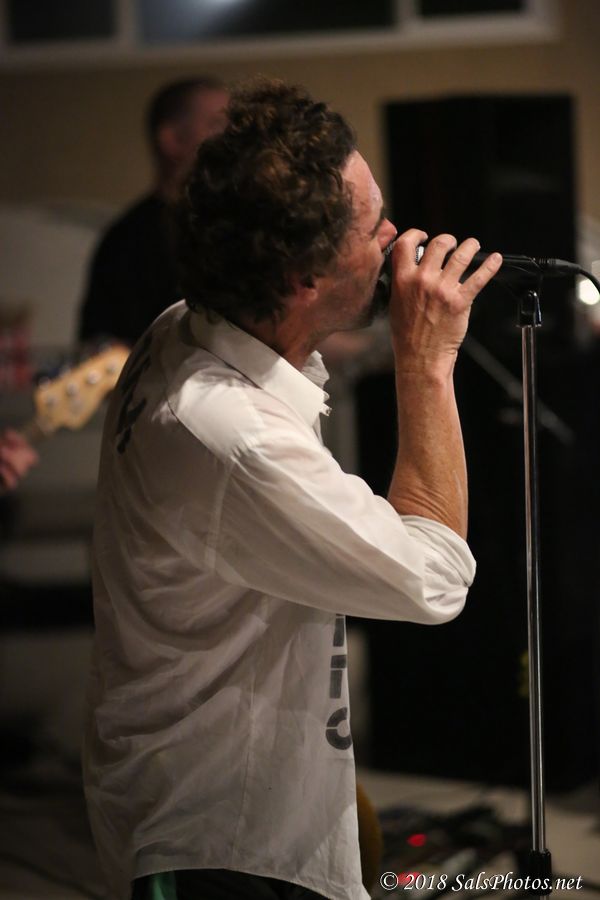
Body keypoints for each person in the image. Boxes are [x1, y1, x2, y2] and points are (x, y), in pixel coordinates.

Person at [82, 78, 502, 900]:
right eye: (373, 227)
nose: (396, 238)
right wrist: (427, 362)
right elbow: (435, 579)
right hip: (218, 840)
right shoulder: (230, 435)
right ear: (305, 277)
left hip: (249, 807)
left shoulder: (184, 324)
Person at [77, 76, 229, 347]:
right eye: (217, 125)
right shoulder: (127, 240)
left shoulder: (239, 226)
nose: (233, 138)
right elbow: (101, 344)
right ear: (172, 139)